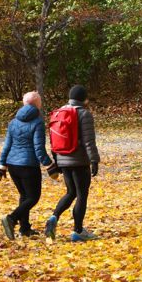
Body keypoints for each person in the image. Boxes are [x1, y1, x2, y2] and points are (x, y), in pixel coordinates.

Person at [45, 85, 101, 242]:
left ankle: (53, 217)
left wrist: (56, 160)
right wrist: (94, 160)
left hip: (62, 159)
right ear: (84, 99)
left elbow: (53, 138)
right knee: (82, 194)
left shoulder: (59, 112)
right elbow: (89, 141)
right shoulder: (84, 114)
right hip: (79, 160)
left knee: (71, 192)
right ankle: (78, 231)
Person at [0, 91, 53, 240]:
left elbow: (7, 145)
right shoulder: (37, 122)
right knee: (33, 197)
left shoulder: (13, 122)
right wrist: (49, 165)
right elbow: (39, 148)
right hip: (28, 166)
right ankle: (12, 218)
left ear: (24, 103)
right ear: (38, 104)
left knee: (24, 196)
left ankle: (25, 228)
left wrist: (1, 165)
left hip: (13, 165)